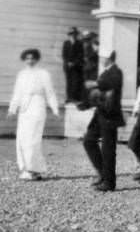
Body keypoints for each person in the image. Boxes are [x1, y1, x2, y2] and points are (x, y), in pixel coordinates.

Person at [8, 49, 60, 181]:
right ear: (24, 60)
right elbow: (17, 93)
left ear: (37, 59)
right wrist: (12, 109)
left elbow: (50, 93)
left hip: (37, 106)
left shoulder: (43, 74)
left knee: (33, 140)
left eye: (32, 58)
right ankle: (25, 169)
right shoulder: (21, 74)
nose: (30, 61)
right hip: (24, 109)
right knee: (22, 139)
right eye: (27, 58)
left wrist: (55, 109)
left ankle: (35, 170)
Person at [83, 51, 124, 192]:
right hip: (100, 114)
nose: (100, 59)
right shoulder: (105, 72)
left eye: (102, 57)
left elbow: (113, 83)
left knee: (108, 149)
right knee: (89, 141)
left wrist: (95, 83)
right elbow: (99, 92)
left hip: (110, 115)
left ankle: (109, 182)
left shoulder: (116, 71)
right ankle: (102, 173)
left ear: (108, 58)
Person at [62, 27, 84, 102]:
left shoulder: (79, 43)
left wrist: (74, 63)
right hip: (67, 66)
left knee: (75, 82)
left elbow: (80, 55)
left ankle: (74, 98)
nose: (73, 35)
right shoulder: (66, 43)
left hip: (76, 67)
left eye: (74, 34)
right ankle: (69, 98)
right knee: (69, 82)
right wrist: (67, 62)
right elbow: (64, 55)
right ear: (69, 35)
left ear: (76, 35)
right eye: (71, 34)